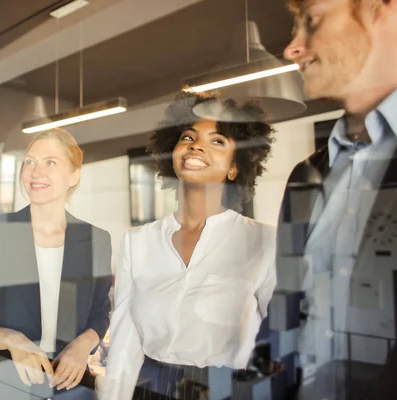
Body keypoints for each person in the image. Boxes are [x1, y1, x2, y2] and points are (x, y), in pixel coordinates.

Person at [103, 91, 277, 400]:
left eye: (218, 141)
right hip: (151, 386)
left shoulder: (263, 241)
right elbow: (125, 340)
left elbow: (276, 340)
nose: (197, 145)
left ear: (234, 168)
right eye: (188, 137)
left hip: (226, 390)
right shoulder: (138, 241)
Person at [277, 0, 397, 398]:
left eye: (311, 21)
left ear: (384, 8)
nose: (292, 48)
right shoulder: (307, 175)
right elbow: (286, 317)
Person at [0, 128, 112, 399]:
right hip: (5, 383)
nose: (36, 172)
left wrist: (82, 346)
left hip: (72, 385)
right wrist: (12, 340)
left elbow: (100, 313)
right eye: (30, 161)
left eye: (50, 162)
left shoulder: (96, 239)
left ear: (74, 176)